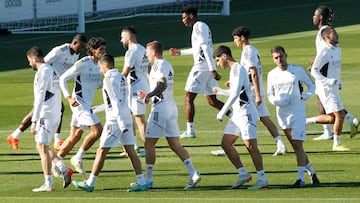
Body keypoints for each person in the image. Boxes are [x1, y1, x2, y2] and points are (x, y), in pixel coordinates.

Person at [72, 54, 147, 192]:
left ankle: (90, 183)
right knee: (131, 151)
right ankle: (142, 181)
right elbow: (121, 100)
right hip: (126, 116)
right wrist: (97, 109)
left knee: (101, 151)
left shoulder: (109, 79)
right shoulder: (122, 77)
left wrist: (121, 123)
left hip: (115, 121)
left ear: (105, 65)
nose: (100, 70)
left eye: (100, 67)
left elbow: (115, 102)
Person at [137, 41, 201, 190]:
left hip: (160, 109)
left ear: (153, 52)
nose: (146, 55)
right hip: (171, 107)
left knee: (148, 144)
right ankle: (193, 173)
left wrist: (148, 95)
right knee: (174, 144)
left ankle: (148, 179)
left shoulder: (159, 65)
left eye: (148, 52)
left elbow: (162, 84)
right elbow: (156, 81)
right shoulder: (165, 65)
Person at [7, 34, 87, 151]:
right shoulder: (59, 50)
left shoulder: (76, 53)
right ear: (74, 43)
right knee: (50, 108)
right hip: (47, 83)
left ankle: (15, 135)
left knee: (48, 109)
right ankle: (57, 140)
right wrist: (45, 80)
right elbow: (43, 63)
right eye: (81, 46)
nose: (82, 49)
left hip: (55, 83)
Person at [169, 5, 230, 138]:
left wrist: (212, 69)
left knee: (188, 97)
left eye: (184, 17)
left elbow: (206, 49)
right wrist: (181, 52)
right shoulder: (201, 26)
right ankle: (235, 117)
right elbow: (199, 49)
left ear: (191, 16)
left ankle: (190, 130)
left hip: (202, 66)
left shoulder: (198, 26)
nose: (183, 20)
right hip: (206, 66)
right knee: (212, 100)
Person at [212, 45, 268, 189]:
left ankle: (262, 179)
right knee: (226, 143)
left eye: (218, 60)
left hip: (246, 112)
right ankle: (243, 173)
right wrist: (221, 91)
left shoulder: (238, 68)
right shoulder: (234, 70)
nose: (218, 64)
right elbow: (237, 92)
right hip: (237, 114)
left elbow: (237, 93)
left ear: (224, 56)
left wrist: (222, 111)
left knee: (250, 146)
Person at [231, 26, 287, 156]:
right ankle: (280, 143)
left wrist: (256, 94)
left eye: (235, 38)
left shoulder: (248, 51)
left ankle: (228, 145)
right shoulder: (253, 50)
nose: (235, 42)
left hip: (251, 93)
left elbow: (254, 72)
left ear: (242, 38)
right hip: (256, 90)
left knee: (239, 117)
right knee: (264, 119)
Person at [268, 46, 319, 187]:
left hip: (298, 111)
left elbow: (312, 85)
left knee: (297, 143)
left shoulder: (297, 70)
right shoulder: (272, 74)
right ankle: (312, 173)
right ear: (273, 59)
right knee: (296, 147)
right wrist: (275, 101)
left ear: (286, 55)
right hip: (282, 114)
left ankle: (300, 179)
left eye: (281, 56)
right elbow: (270, 94)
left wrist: (307, 95)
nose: (280, 60)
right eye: (276, 58)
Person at [26, 47, 73, 192]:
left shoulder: (43, 72)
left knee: (43, 150)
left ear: (34, 59)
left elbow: (40, 96)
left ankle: (49, 183)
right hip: (54, 114)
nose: (29, 64)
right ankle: (63, 168)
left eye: (29, 61)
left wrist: (34, 120)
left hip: (45, 116)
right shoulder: (52, 70)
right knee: (41, 147)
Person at [57, 37, 105, 175]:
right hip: (79, 103)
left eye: (104, 49)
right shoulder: (83, 62)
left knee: (75, 137)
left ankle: (56, 162)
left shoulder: (99, 65)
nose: (103, 52)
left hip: (87, 104)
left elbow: (95, 84)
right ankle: (77, 157)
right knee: (97, 131)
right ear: (92, 50)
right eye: (100, 49)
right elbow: (63, 78)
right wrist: (68, 97)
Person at [309, 5, 358, 140]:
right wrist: (316, 62)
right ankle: (351, 120)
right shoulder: (325, 31)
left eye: (315, 15)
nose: (312, 17)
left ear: (320, 17)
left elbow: (325, 51)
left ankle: (328, 132)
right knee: (331, 103)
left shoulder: (323, 32)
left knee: (323, 101)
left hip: (324, 74)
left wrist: (317, 66)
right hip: (325, 69)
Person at [307, 27, 350, 151]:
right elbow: (314, 71)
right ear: (327, 38)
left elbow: (335, 69)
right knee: (340, 114)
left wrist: (338, 81)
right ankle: (336, 144)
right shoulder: (324, 51)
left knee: (331, 118)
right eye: (334, 34)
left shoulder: (338, 50)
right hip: (325, 88)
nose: (337, 35)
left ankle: (302, 122)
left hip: (333, 87)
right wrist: (328, 81)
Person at [120, 26, 149, 157]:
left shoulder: (131, 52)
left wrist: (114, 83)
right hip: (141, 86)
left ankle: (148, 149)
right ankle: (133, 145)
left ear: (129, 37)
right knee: (129, 117)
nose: (121, 40)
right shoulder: (143, 49)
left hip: (135, 90)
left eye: (122, 37)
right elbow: (148, 69)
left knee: (140, 120)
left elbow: (125, 72)